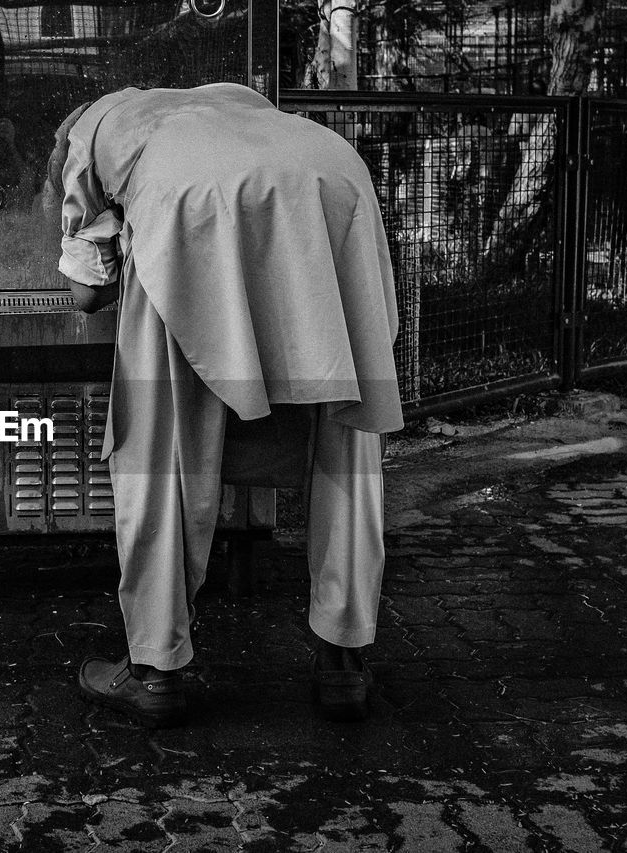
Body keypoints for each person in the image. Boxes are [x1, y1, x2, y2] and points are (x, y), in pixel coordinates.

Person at [50, 82, 402, 726]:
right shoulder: (236, 103)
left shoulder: (88, 132)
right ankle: (345, 664)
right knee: (348, 436)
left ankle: (154, 671)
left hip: (192, 205)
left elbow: (85, 296)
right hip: (334, 177)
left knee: (159, 451)